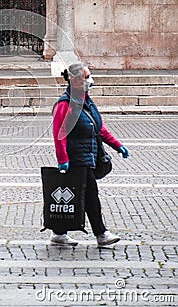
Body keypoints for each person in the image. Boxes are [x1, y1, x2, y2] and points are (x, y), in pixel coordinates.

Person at [51, 62, 130, 247]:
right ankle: (101, 233)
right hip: (76, 159)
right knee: (90, 196)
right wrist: (63, 160)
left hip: (89, 156)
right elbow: (59, 134)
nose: (90, 80)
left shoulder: (86, 100)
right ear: (75, 80)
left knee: (76, 195)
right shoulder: (65, 104)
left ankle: (59, 233)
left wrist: (118, 146)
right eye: (87, 77)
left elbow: (99, 127)